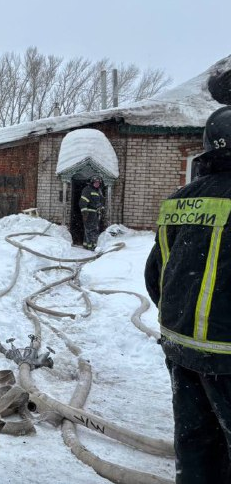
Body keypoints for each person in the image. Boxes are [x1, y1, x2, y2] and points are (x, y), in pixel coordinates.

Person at [145, 106, 231, 484]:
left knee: (196, 443)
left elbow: (155, 274)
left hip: (181, 347)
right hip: (228, 355)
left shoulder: (179, 200)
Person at [79, 175, 105, 250]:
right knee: (89, 229)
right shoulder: (87, 189)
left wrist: (101, 208)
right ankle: (90, 246)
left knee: (94, 229)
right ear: (92, 182)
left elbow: (101, 202)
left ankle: (89, 244)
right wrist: (84, 211)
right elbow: (82, 201)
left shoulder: (98, 191)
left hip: (96, 213)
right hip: (89, 212)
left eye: (98, 183)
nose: (97, 184)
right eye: (96, 182)